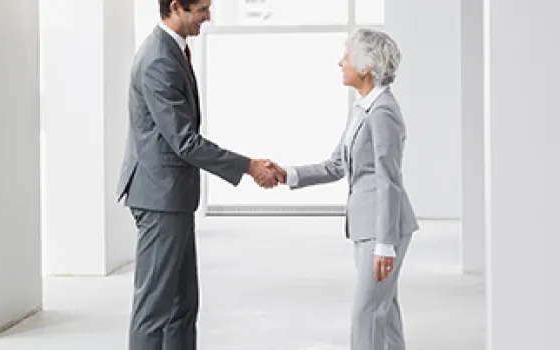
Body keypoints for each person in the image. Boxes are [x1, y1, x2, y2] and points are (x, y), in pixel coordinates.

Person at [116, 1, 281, 349]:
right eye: (202, 9)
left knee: (183, 304)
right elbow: (184, 141)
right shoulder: (157, 60)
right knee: (154, 309)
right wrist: (248, 166)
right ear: (176, 7)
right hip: (160, 198)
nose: (209, 16)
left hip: (173, 196)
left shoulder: (172, 51)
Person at [267, 28, 419, 350]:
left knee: (367, 312)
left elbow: (387, 180)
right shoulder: (362, 109)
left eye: (346, 57)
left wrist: (385, 244)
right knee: (384, 309)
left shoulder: (382, 113)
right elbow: (336, 165)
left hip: (382, 228)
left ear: (366, 66)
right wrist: (288, 174)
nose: (340, 63)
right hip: (367, 225)